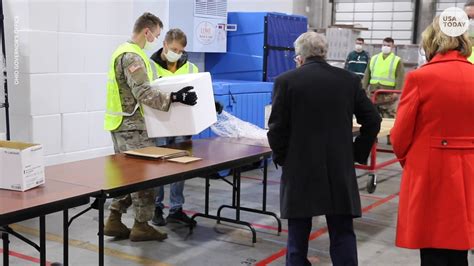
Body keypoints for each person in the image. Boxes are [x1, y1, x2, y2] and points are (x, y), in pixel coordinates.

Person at [267, 32, 381, 266]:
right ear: (324, 53)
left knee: (297, 236)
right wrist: (355, 153)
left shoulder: (286, 81)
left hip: (300, 169)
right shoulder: (348, 80)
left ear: (300, 57)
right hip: (338, 168)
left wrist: (283, 157)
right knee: (342, 233)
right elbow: (373, 120)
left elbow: (276, 128)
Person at [103, 13, 198, 242]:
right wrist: (175, 97)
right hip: (132, 127)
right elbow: (143, 92)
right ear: (146, 31)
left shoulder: (124, 51)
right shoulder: (132, 56)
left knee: (129, 178)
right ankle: (142, 226)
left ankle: (114, 219)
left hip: (122, 124)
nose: (155, 39)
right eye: (155, 35)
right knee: (146, 180)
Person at [390, 16, 474, 266]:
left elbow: (400, 136)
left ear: (432, 40)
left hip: (428, 172)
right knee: (460, 242)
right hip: (468, 170)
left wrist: (411, 161)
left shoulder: (421, 77)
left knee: (432, 245)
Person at [149, 29, 198, 227]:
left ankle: (176, 209)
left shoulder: (191, 67)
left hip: (182, 125)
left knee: (180, 167)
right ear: (165, 44)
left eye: (180, 50)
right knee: (159, 168)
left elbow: (199, 91)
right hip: (159, 124)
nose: (176, 53)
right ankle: (157, 208)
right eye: (174, 49)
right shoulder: (150, 66)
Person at [362, 37, 405, 118]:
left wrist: (397, 92)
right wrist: (363, 88)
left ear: (393, 47)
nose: (385, 47)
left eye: (388, 45)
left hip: (388, 94)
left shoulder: (396, 60)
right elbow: (367, 74)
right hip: (373, 93)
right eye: (384, 45)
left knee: (388, 116)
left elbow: (400, 77)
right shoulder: (374, 58)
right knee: (372, 116)